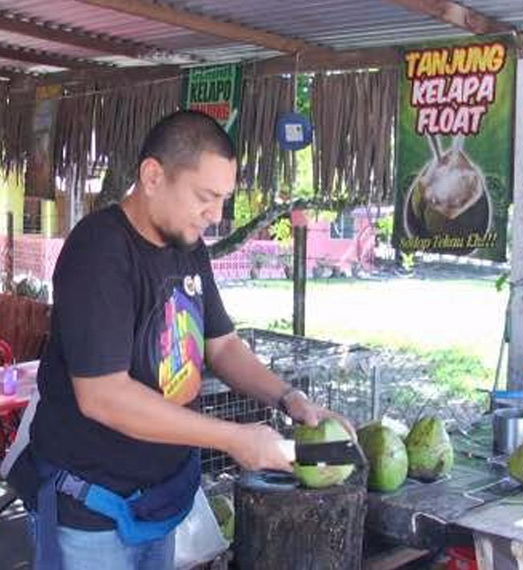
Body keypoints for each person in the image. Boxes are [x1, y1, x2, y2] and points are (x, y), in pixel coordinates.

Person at [8, 110, 353, 570]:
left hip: (158, 502)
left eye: (223, 199)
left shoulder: (187, 248)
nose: (216, 215)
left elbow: (222, 345)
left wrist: (290, 399)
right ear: (153, 176)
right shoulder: (100, 252)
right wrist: (234, 438)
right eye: (205, 197)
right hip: (91, 512)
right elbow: (103, 395)